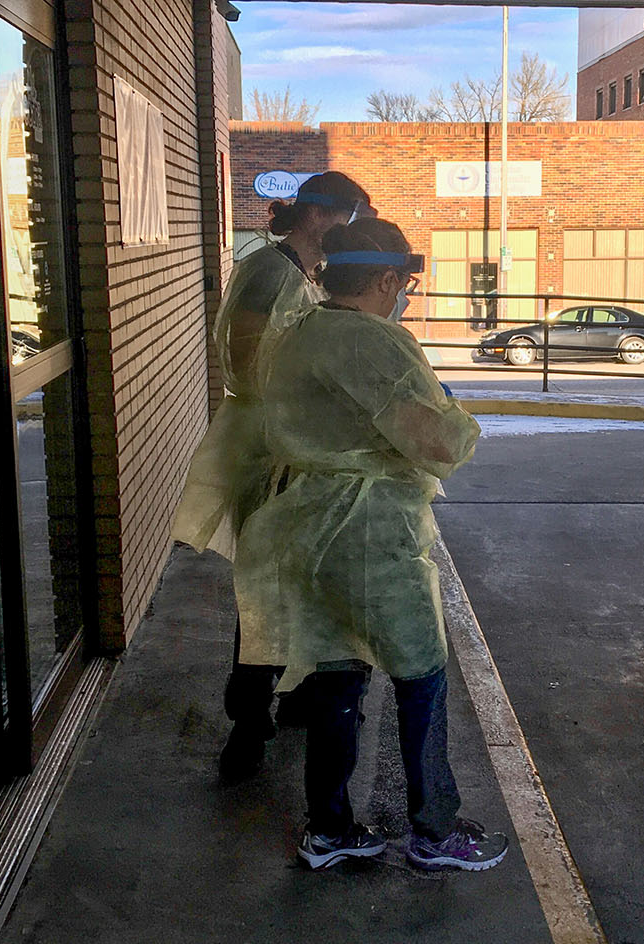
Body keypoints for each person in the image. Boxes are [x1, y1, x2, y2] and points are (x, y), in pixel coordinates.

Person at [234, 217, 508, 872]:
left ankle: (329, 828)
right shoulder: (373, 342)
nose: (404, 296)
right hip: (369, 532)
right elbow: (438, 443)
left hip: (305, 527)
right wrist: (455, 415)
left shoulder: (298, 332)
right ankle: (434, 831)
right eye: (404, 285)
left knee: (336, 674)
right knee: (422, 672)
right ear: (385, 280)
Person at [170, 172, 375, 782]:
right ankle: (248, 722)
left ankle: (296, 695)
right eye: (348, 220)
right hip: (270, 447)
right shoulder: (269, 271)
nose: (350, 234)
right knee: (265, 584)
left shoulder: (296, 272)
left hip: (292, 443)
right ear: (319, 217)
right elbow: (248, 359)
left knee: (302, 579)